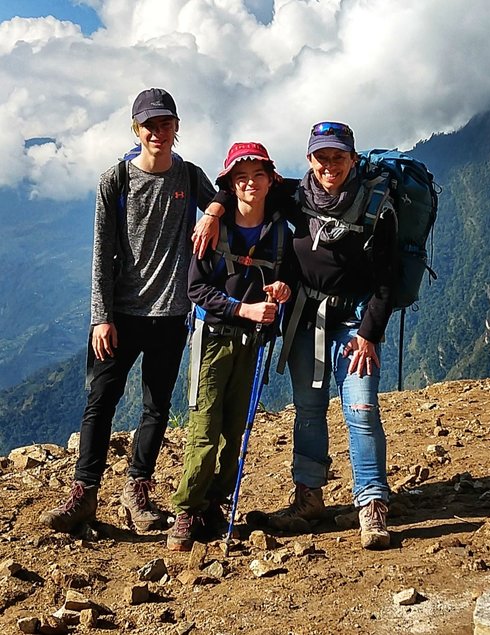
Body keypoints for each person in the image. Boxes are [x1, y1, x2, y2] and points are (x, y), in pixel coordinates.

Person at [194, 122, 398, 549]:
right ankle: (309, 500)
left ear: (353, 159)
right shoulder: (294, 196)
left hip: (354, 324)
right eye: (321, 157)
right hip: (305, 321)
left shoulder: (378, 205)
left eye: (338, 157)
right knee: (308, 408)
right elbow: (244, 185)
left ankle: (372, 505)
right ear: (308, 160)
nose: (329, 165)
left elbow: (386, 280)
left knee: (360, 407)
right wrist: (213, 210)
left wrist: (368, 335)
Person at [40, 88, 216, 534]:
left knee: (156, 409)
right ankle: (84, 492)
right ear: (136, 130)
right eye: (149, 125)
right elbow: (101, 254)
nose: (158, 132)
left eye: (166, 124)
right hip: (119, 317)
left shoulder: (190, 177)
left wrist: (212, 211)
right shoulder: (114, 180)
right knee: (100, 404)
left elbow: (227, 202)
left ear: (177, 128)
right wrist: (101, 317)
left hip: (172, 316)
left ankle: (136, 489)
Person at [167, 142, 292, 551]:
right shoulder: (214, 230)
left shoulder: (278, 231)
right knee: (205, 427)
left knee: (234, 428)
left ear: (271, 179)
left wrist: (281, 289)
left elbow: (286, 279)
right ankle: (187, 510)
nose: (250, 184)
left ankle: (214, 505)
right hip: (214, 340)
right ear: (230, 184)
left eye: (258, 176)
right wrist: (245, 310)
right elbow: (196, 289)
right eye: (241, 178)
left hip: (250, 343)